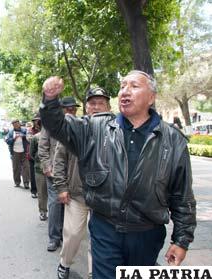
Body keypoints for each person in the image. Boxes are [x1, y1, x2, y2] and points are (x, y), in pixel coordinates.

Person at [40, 73, 196, 278]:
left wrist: (181, 240)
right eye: (122, 86)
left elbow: (182, 195)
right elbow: (58, 127)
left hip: (147, 233)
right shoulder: (95, 128)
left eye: (134, 86)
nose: (125, 91)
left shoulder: (173, 140)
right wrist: (50, 100)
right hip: (106, 228)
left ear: (151, 98)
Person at [54, 88, 111, 279]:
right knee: (73, 234)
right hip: (78, 194)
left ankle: (95, 272)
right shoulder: (74, 128)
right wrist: (61, 187)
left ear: (108, 107)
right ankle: (65, 263)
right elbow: (59, 159)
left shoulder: (116, 129)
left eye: (100, 103)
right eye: (92, 103)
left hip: (105, 198)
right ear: (86, 107)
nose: (96, 107)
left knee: (100, 239)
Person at [39, 96, 80, 252]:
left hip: (73, 173)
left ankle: (66, 234)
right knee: (56, 204)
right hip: (55, 173)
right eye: (68, 108)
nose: (71, 111)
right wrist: (47, 166)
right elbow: (43, 148)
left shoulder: (78, 124)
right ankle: (54, 238)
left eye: (74, 109)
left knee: (70, 203)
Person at [29, 126, 48, 222]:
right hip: (40, 169)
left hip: (55, 170)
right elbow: (31, 153)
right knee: (41, 192)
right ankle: (43, 211)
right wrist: (38, 161)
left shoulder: (57, 136)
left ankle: (53, 213)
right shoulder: (36, 137)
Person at [5, 119, 30, 188]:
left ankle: (26, 183)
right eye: (14, 124)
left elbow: (29, 139)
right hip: (15, 152)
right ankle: (17, 182)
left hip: (24, 152)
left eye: (17, 123)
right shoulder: (10, 132)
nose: (16, 125)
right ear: (13, 125)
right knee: (16, 168)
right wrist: (13, 138)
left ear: (19, 124)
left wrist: (23, 136)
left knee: (26, 167)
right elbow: (7, 141)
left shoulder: (24, 130)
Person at [26, 113, 41, 199]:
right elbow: (29, 139)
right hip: (32, 156)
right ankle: (34, 191)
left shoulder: (45, 130)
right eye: (36, 120)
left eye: (39, 120)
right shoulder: (30, 130)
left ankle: (41, 191)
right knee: (33, 174)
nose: (37, 122)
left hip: (43, 157)